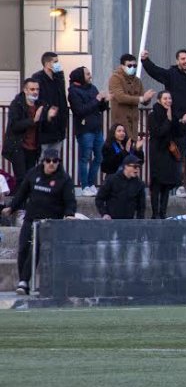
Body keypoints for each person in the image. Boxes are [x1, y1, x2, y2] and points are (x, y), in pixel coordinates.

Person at [1, 149, 76, 295]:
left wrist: (69, 214)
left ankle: (23, 282)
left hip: (49, 222)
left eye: (55, 161)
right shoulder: (33, 174)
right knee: (23, 249)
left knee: (35, 250)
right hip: (30, 219)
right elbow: (22, 193)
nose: (51, 164)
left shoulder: (64, 179)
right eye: (48, 161)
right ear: (43, 161)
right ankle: (24, 281)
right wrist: (12, 207)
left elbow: (70, 201)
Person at [2, 78, 55, 190]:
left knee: (30, 177)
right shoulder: (17, 104)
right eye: (32, 89)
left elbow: (44, 127)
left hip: (33, 147)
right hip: (18, 146)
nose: (35, 92)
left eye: (37, 89)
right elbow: (14, 126)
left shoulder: (41, 105)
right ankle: (19, 204)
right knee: (21, 177)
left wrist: (49, 117)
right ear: (25, 90)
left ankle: (27, 204)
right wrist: (33, 120)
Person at [68, 66, 110, 196]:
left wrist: (104, 101)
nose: (90, 76)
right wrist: (96, 100)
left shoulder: (92, 88)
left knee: (99, 156)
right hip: (85, 129)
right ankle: (84, 185)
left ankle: (92, 184)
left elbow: (100, 108)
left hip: (97, 128)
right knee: (85, 157)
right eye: (87, 74)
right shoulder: (74, 91)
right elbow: (79, 110)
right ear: (80, 76)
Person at [148, 91, 186, 219]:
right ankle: (155, 213)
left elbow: (179, 134)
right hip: (158, 151)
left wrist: (182, 122)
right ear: (159, 100)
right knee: (156, 184)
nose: (168, 101)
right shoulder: (153, 115)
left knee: (166, 185)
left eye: (170, 98)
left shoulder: (173, 113)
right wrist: (168, 120)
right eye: (165, 98)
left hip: (169, 152)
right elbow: (158, 132)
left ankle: (163, 213)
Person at [109, 54, 155, 141]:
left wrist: (148, 98)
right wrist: (141, 99)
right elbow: (120, 97)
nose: (132, 68)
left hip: (133, 122)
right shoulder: (115, 78)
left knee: (133, 148)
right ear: (122, 66)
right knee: (122, 147)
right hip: (121, 121)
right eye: (129, 65)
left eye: (135, 65)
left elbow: (143, 99)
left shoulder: (137, 80)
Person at [31, 52, 69, 153]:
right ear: (47, 64)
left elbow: (62, 97)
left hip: (59, 124)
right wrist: (47, 111)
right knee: (44, 157)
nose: (58, 64)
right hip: (45, 124)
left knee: (55, 156)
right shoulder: (38, 78)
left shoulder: (58, 77)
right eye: (55, 62)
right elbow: (37, 99)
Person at [95, 154, 146, 219]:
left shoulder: (139, 184)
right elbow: (99, 198)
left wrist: (139, 222)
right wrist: (104, 213)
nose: (137, 169)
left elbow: (141, 206)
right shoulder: (112, 180)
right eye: (135, 166)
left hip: (129, 222)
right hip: (112, 221)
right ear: (126, 166)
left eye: (139, 167)